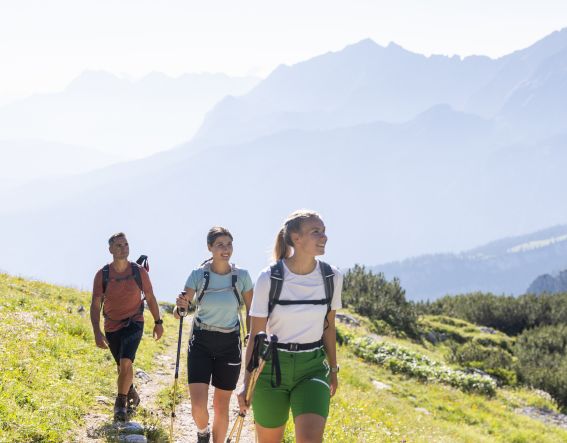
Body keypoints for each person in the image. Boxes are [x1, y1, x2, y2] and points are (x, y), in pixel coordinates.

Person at [238, 210, 343, 443]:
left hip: (312, 367)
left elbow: (329, 327)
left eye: (324, 231)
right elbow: (256, 334)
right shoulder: (270, 278)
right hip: (271, 369)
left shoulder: (331, 277)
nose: (324, 237)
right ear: (296, 238)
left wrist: (333, 370)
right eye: (316, 232)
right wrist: (246, 383)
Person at [175, 226, 254, 443]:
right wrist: (181, 306)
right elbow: (180, 310)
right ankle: (202, 431)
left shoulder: (242, 277)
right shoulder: (198, 275)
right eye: (220, 245)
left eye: (229, 244)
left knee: (221, 406)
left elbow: (251, 310)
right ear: (210, 248)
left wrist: (251, 335)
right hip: (201, 342)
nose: (225, 249)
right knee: (198, 406)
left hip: (229, 345)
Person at [90, 232, 164, 422]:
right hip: (112, 326)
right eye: (119, 245)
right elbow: (95, 304)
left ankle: (120, 405)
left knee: (125, 362)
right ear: (110, 249)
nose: (123, 248)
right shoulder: (103, 274)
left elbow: (150, 296)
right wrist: (97, 331)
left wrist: (158, 322)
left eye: (126, 244)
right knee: (121, 366)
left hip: (134, 322)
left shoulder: (139, 271)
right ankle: (131, 393)